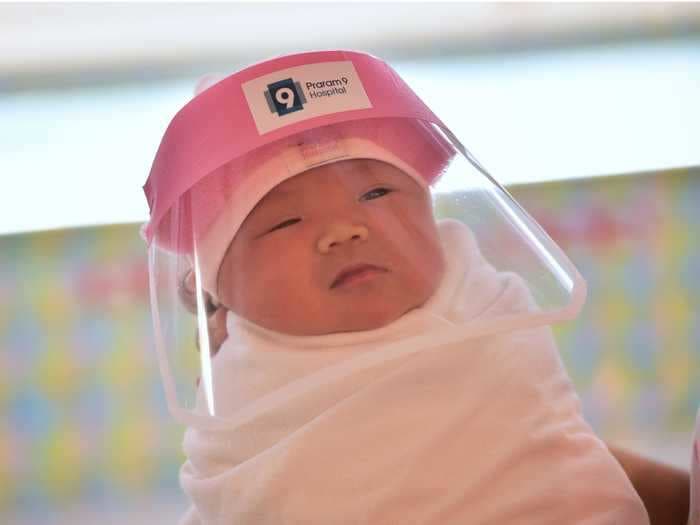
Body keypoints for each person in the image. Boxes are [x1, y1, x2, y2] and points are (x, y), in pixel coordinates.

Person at [142, 50, 684, 524]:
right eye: (286, 223)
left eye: (377, 192)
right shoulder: (247, 412)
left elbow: (546, 454)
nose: (343, 229)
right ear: (224, 299)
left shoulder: (486, 311)